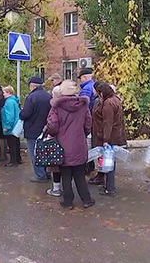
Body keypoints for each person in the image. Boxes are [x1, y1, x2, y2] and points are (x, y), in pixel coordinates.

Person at [46, 80, 95, 210]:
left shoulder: (56, 107)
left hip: (62, 145)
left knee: (65, 174)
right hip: (79, 144)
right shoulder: (83, 105)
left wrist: (52, 132)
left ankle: (68, 202)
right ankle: (86, 200)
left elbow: (53, 126)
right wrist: (82, 134)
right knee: (79, 173)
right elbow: (88, 124)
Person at [91, 82, 127, 197]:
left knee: (109, 162)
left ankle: (110, 188)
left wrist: (105, 139)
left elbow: (108, 123)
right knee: (110, 162)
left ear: (102, 92)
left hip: (109, 137)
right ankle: (108, 186)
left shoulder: (108, 104)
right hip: (115, 135)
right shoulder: (115, 100)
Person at [20, 76, 52, 182]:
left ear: (32, 85)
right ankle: (46, 172)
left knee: (34, 153)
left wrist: (21, 113)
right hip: (45, 129)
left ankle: (40, 175)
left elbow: (25, 114)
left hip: (32, 129)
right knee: (45, 152)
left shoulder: (31, 97)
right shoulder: (49, 96)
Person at [1, 86, 21, 167]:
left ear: (8, 92)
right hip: (16, 126)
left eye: (4, 92)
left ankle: (13, 161)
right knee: (16, 143)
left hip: (11, 127)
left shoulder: (9, 102)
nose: (3, 94)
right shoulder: (14, 101)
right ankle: (17, 159)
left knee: (12, 144)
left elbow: (10, 116)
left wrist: (7, 126)